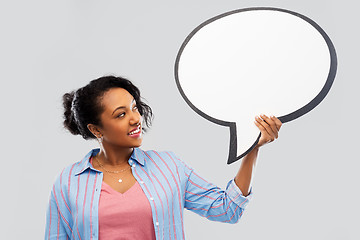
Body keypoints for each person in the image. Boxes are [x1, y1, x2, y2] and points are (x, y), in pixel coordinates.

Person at [45, 75, 282, 240]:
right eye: (120, 114)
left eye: (134, 107)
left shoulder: (168, 167)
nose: (135, 118)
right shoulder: (68, 182)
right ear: (96, 130)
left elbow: (228, 209)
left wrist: (253, 148)